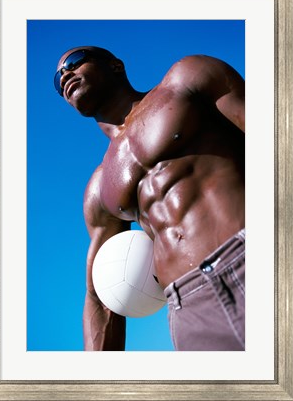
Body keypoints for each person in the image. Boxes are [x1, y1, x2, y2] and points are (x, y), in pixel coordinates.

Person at [54, 46, 245, 351]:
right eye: (57, 77)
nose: (65, 74)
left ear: (116, 65)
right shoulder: (100, 187)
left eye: (74, 62)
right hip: (190, 307)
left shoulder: (186, 79)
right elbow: (100, 298)